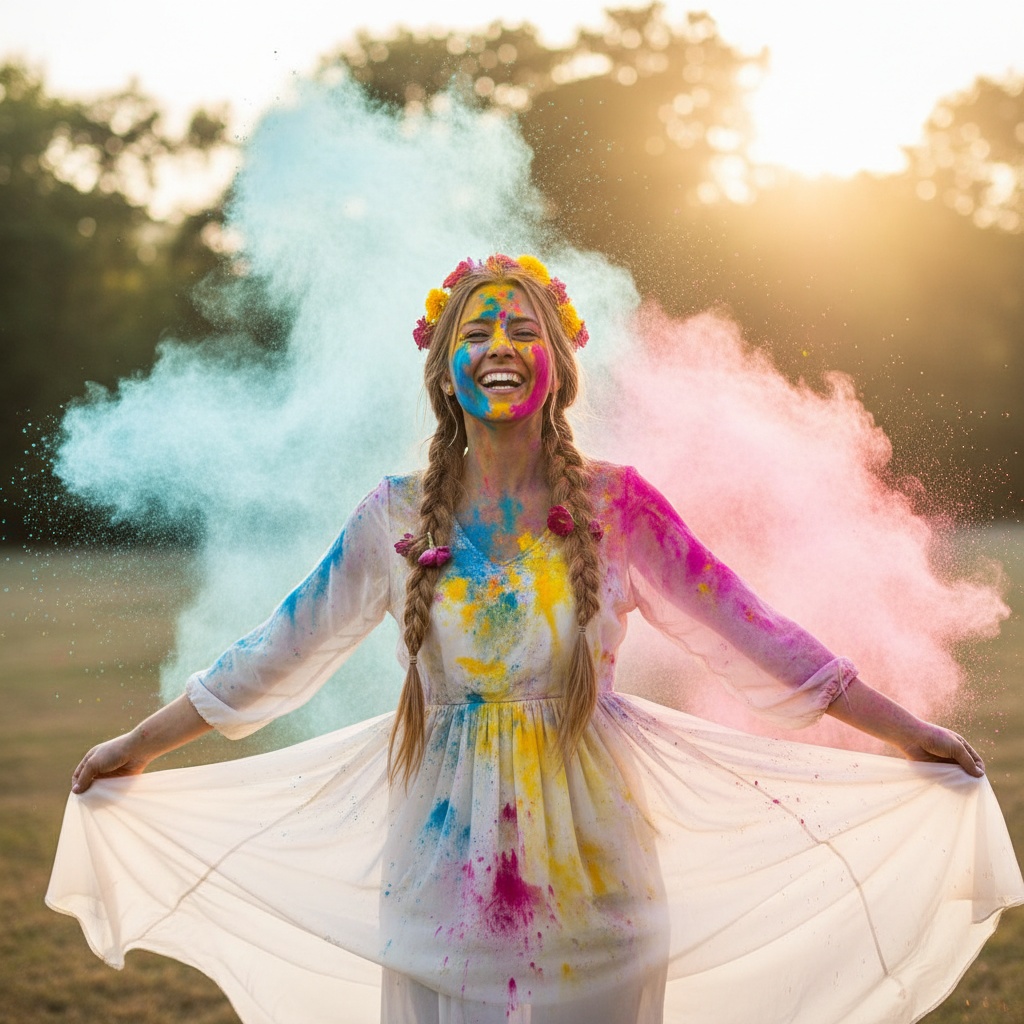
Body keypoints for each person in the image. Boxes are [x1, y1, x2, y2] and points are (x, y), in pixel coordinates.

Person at [49, 254, 1023, 1024]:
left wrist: (907, 734)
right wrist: (135, 746)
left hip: (595, 843)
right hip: (440, 848)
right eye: (478, 330)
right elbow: (277, 650)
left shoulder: (619, 506)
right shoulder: (391, 515)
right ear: (445, 369)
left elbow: (752, 632)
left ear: (558, 362)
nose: (501, 343)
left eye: (524, 327)